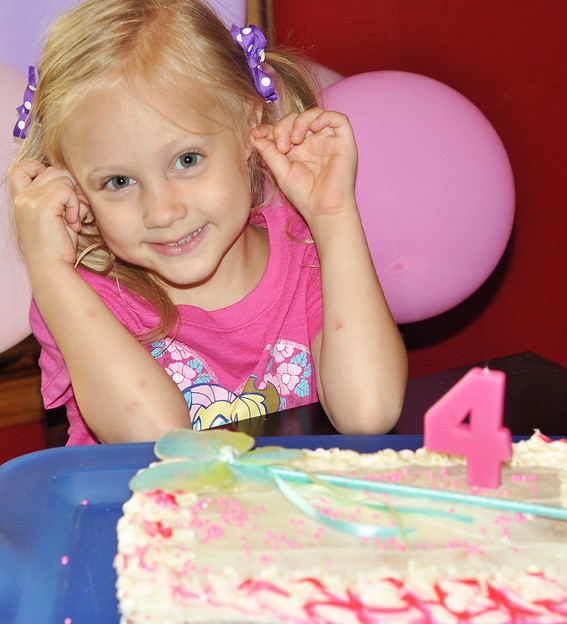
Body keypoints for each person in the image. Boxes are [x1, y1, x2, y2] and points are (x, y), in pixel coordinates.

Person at [9, 0, 407, 445]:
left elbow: (369, 411)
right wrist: (48, 270)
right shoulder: (83, 295)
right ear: (76, 189)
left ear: (249, 123)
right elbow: (156, 439)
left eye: (187, 160)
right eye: (119, 181)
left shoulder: (306, 252)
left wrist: (333, 216)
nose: (163, 212)